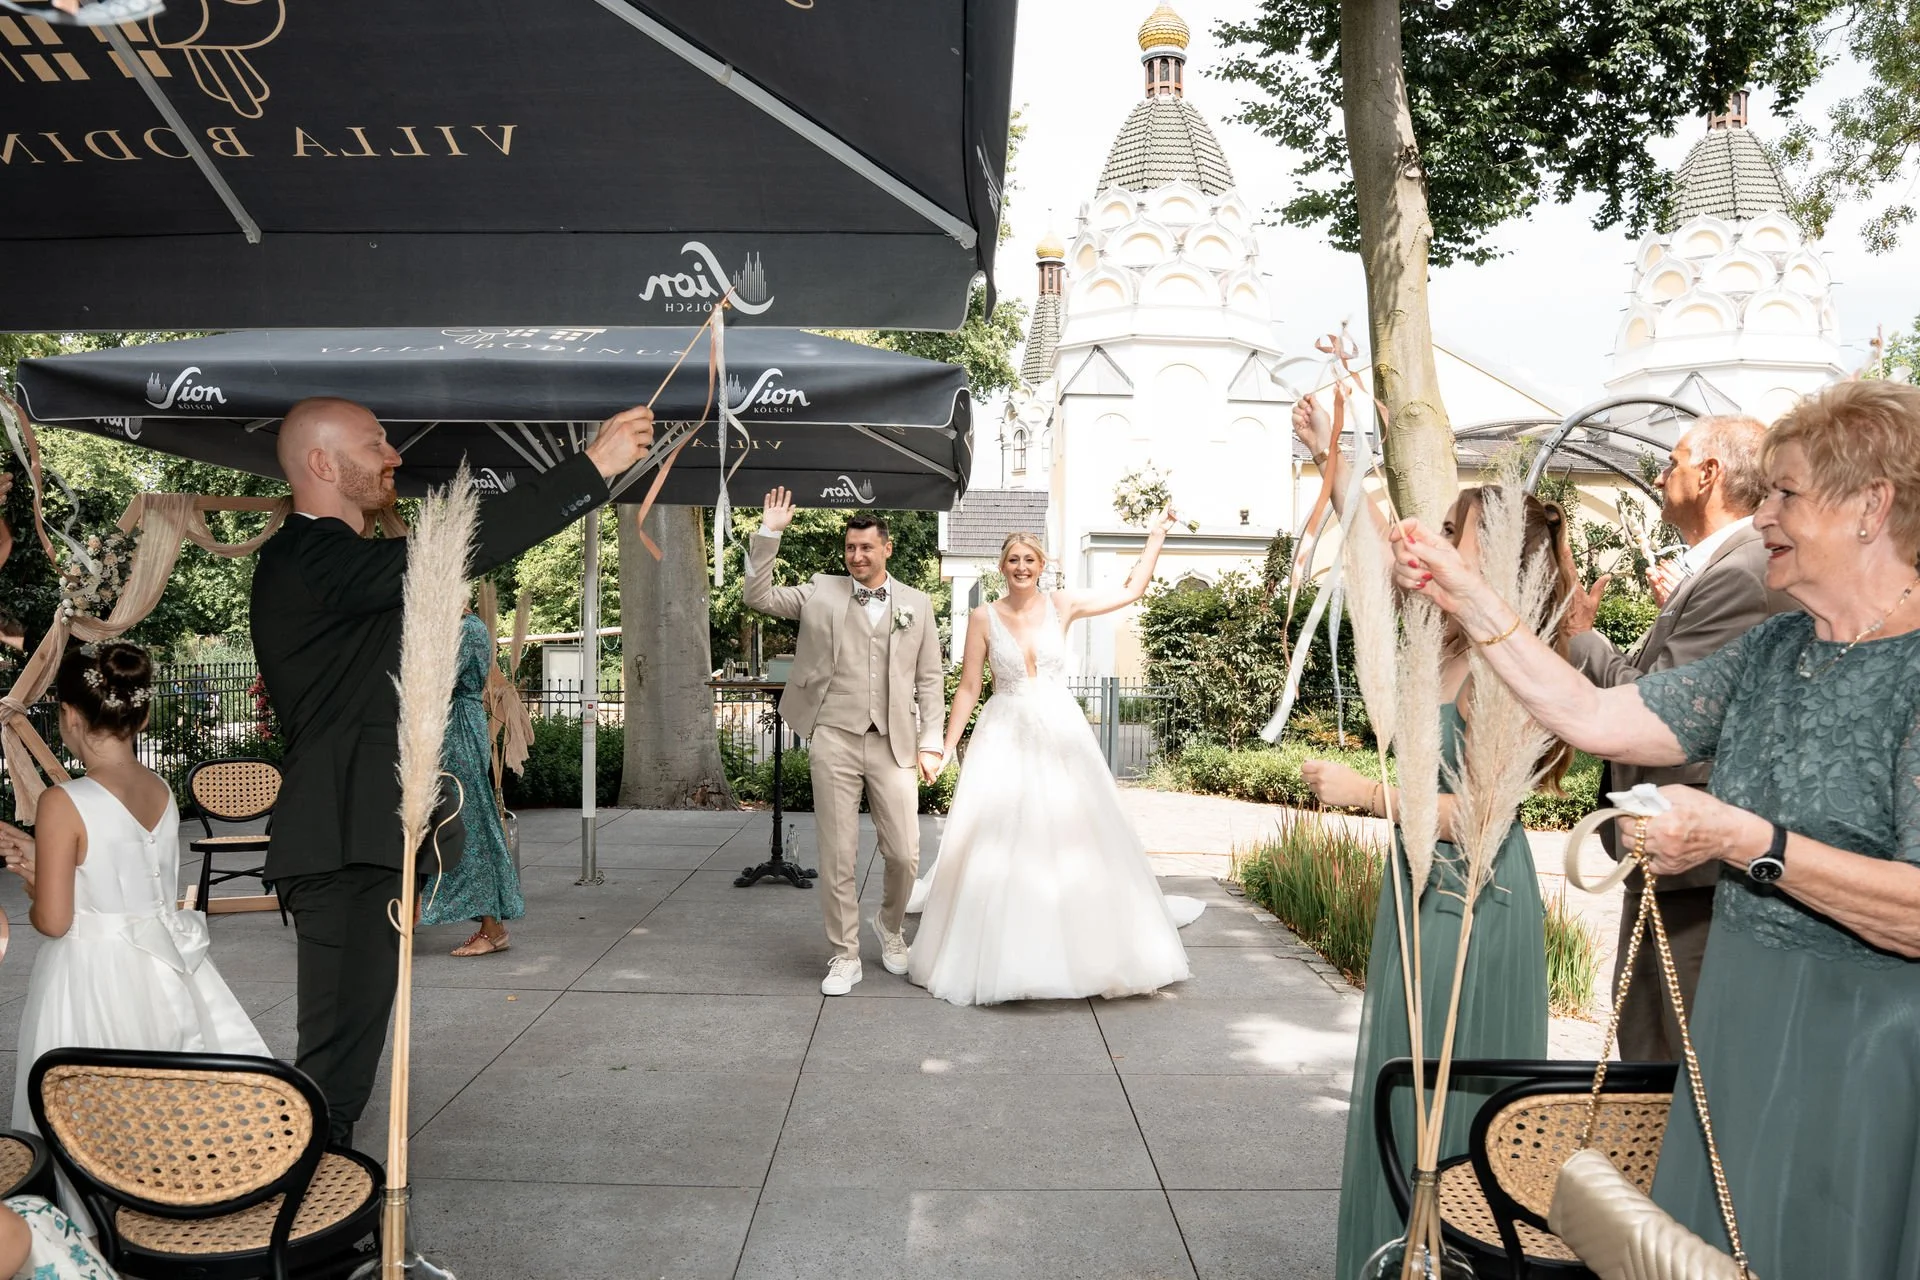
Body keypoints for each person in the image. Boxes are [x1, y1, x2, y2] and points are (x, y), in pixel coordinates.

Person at [1390, 378, 1920, 1279]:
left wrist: (1743, 840)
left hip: (1869, 1054)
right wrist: (1468, 595)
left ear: (1872, 507)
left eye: (1787, 494)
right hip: (1740, 1025)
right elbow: (1594, 716)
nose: (1762, 517)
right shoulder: (1775, 649)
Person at [251, 396, 654, 1146]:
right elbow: (454, 548)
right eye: (375, 444)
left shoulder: (346, 564)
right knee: (334, 1067)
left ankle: (321, 1190)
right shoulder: (306, 556)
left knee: (349, 1057)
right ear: (322, 463)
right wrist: (592, 468)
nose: (393, 457)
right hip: (338, 842)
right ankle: (308, 1203)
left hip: (369, 839)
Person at [1295, 383, 1576, 1278]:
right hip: (1422, 892)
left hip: (1472, 899)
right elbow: (1384, 549)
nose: (1436, 541)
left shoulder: (1507, 662)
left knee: (1447, 1097)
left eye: (1455, 533)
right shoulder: (1446, 641)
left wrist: (1363, 792)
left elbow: (1482, 810)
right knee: (1403, 1075)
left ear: (1496, 559)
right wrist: (1337, 456)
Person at [5, 643, 269, 1226]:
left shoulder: (62, 801)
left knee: (90, 1112)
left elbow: (56, 920)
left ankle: (92, 1226)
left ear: (68, 716)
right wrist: (46, 864)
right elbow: (124, 876)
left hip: (92, 974)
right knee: (167, 1099)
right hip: (163, 964)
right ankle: (167, 1210)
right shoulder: (161, 790)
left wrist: (32, 880)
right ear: (143, 715)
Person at [1564, 414, 1794, 1060]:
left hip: (1696, 872)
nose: (1661, 474)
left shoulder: (1743, 572)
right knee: (1648, 1059)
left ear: (1710, 473)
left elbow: (1658, 705)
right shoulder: (1721, 566)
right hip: (1669, 866)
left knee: (1678, 1070)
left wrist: (1581, 638)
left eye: (1673, 461)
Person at [906, 521, 1204, 1006]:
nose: (1021, 567)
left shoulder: (1062, 605)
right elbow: (969, 687)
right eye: (1013, 560)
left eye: (1030, 560)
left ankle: (1080, 937)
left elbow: (1130, 591)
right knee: (1002, 833)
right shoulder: (983, 617)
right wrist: (942, 746)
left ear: (1042, 565)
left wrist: (1155, 538)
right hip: (1004, 732)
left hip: (1062, 732)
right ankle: (1005, 944)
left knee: (1073, 830)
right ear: (1002, 567)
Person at [742, 488, 945, 996]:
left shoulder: (917, 604)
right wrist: (770, 534)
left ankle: (890, 927)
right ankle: (844, 954)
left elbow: (929, 680)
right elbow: (757, 596)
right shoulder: (820, 591)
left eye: (866, 547)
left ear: (887, 549)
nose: (856, 556)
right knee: (838, 854)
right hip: (833, 735)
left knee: (904, 853)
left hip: (894, 742)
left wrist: (932, 742)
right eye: (850, 547)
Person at [419, 606, 524, 955]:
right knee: (456, 821)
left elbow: (437, 681)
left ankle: (492, 928)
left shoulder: (466, 629)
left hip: (457, 731)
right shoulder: (459, 626)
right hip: (453, 727)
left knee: (467, 821)